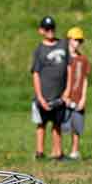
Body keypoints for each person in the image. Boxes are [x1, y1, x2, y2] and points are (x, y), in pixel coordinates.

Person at [30, 16, 69, 160]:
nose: (50, 31)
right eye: (47, 29)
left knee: (57, 124)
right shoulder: (39, 50)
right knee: (41, 124)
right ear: (41, 31)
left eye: (52, 28)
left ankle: (58, 152)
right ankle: (40, 152)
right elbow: (35, 73)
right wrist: (39, 97)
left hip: (60, 94)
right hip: (44, 94)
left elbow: (69, 67)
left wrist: (68, 90)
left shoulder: (63, 45)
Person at [63, 26, 90, 160]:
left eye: (80, 41)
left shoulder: (83, 59)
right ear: (68, 40)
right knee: (62, 125)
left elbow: (85, 79)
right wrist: (63, 96)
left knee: (77, 126)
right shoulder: (63, 57)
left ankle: (74, 151)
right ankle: (58, 151)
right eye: (75, 40)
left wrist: (83, 97)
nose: (77, 43)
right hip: (65, 97)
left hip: (78, 96)